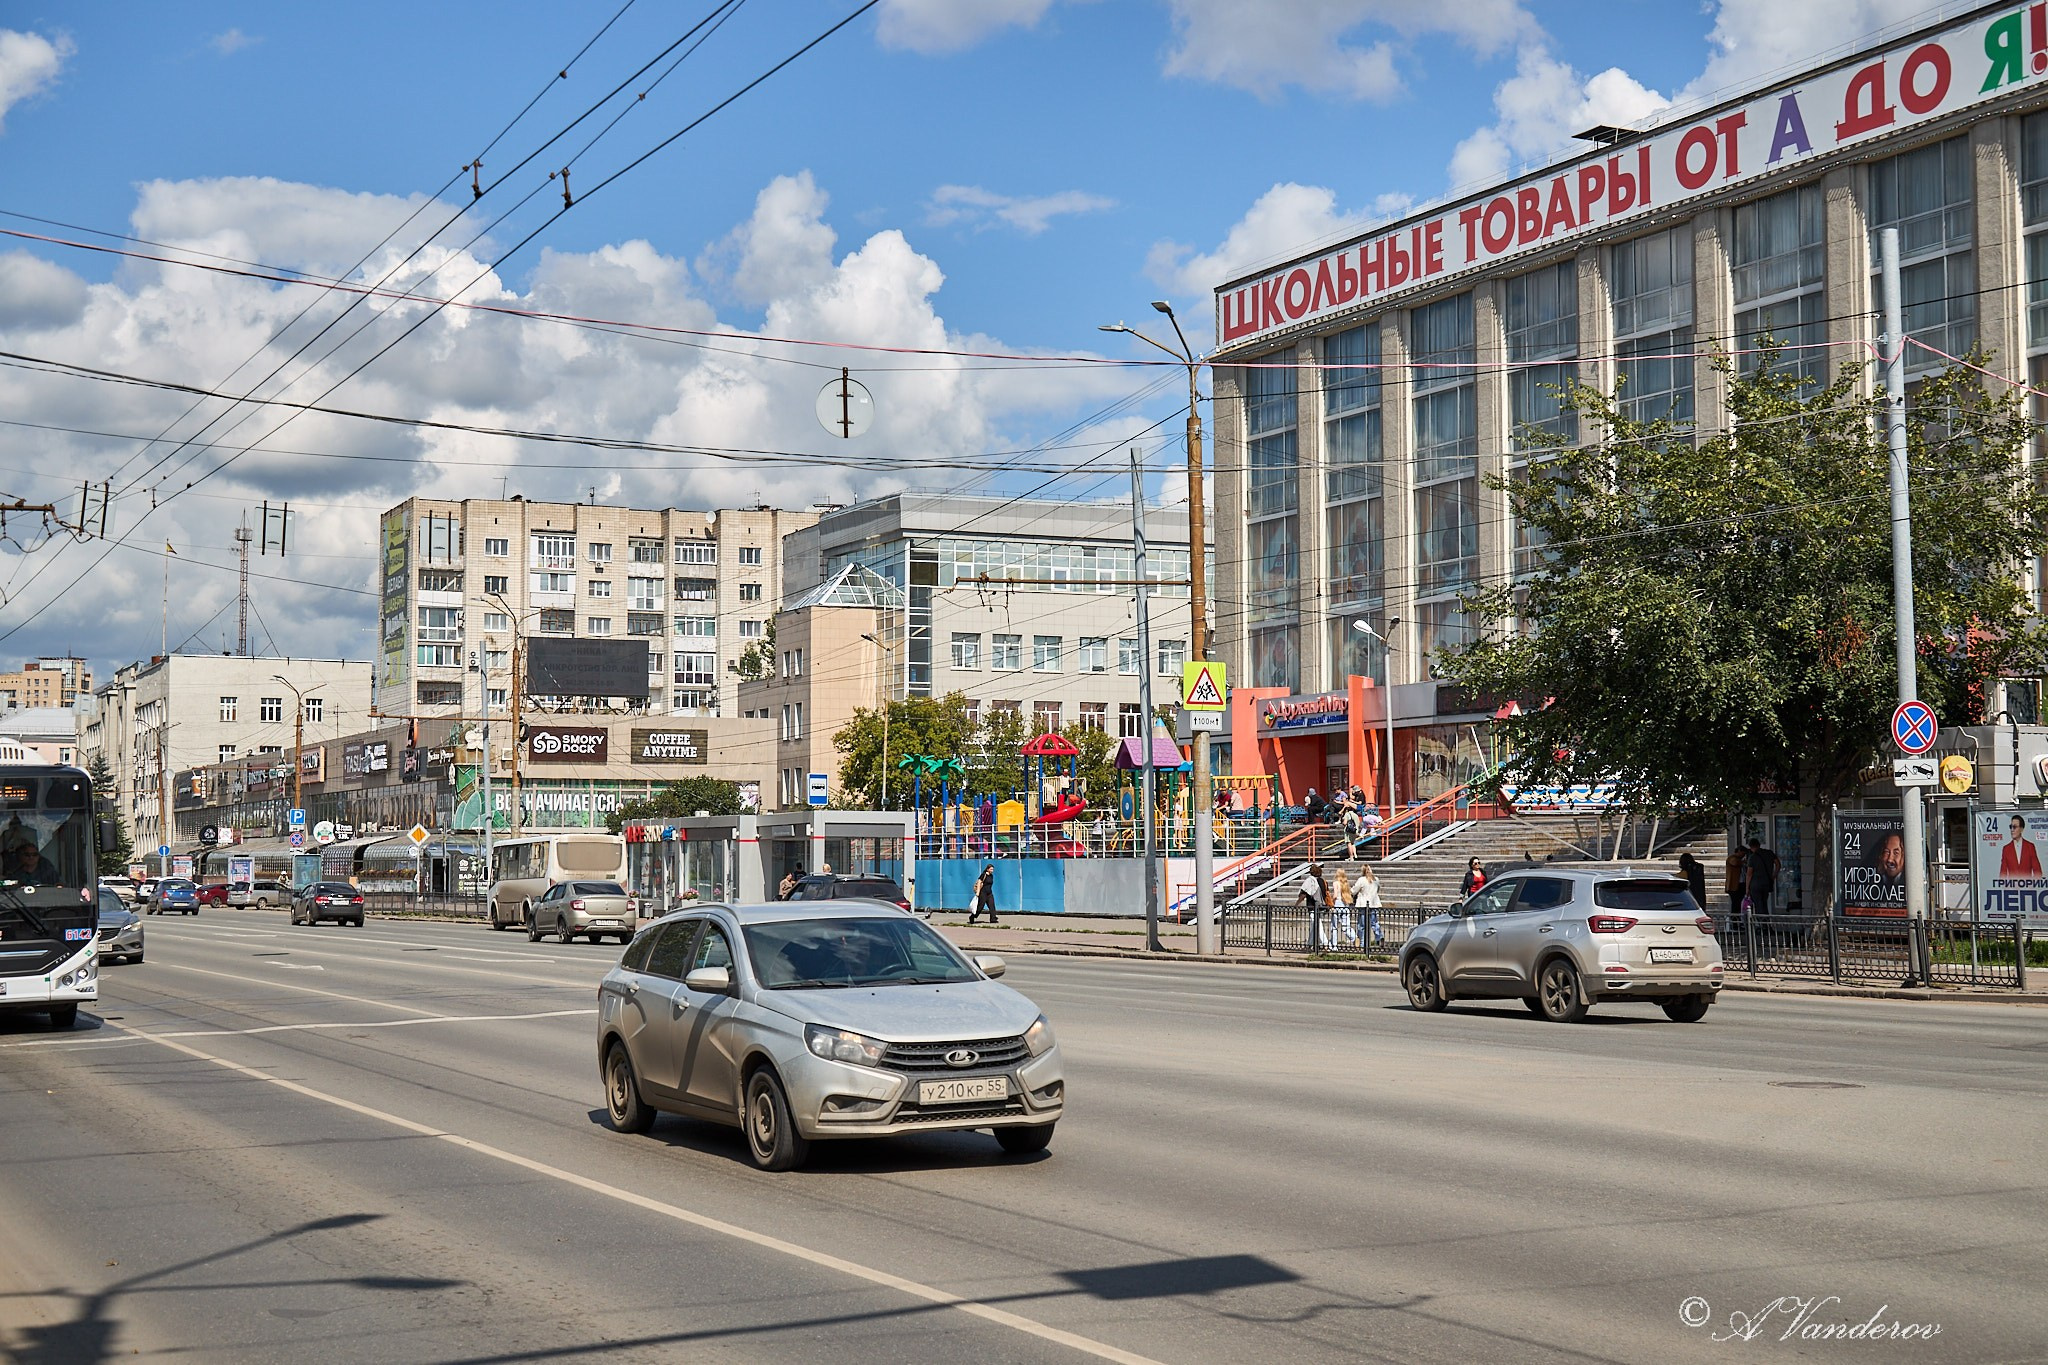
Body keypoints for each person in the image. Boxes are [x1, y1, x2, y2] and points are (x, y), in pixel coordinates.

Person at [1743, 838, 1780, 920]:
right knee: (1764, 903)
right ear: (1759, 845)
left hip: (1755, 885)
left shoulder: (1752, 857)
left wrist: (1747, 889)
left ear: (1750, 847)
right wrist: (1773, 876)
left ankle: (1762, 925)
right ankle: (1766, 923)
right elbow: (1778, 864)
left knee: (1758, 905)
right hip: (1767, 883)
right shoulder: (1769, 853)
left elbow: (1749, 874)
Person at [1998, 814, 2043, 878]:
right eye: (2011, 827)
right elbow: (2003, 873)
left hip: (2028, 886)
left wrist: (2032, 886)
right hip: (2012, 887)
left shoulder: (2030, 847)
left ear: (2021, 829)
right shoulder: (2006, 849)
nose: (2012, 830)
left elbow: (2038, 872)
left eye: (2015, 827)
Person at [1355, 864, 1385, 948]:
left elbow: (1354, 890)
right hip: (1374, 903)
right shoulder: (1376, 879)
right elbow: (1378, 890)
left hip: (1363, 904)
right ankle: (1379, 936)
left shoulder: (1361, 880)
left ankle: (1362, 943)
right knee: (1374, 922)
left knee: (1362, 925)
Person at [1326, 869, 1354, 949]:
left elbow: (1335, 895)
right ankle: (1354, 938)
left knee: (1334, 926)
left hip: (1337, 903)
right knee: (1345, 926)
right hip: (1345, 904)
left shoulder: (1336, 883)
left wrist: (1331, 901)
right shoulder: (1346, 883)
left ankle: (1334, 946)